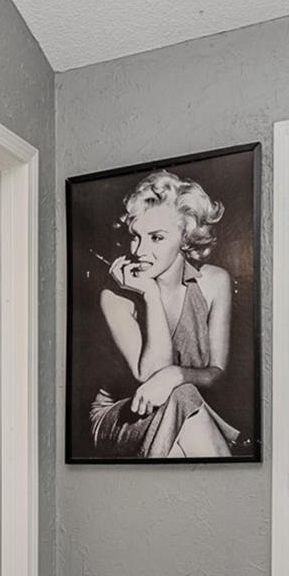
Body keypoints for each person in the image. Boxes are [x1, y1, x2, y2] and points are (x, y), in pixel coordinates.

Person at [89, 169, 240, 457]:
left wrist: (175, 375)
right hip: (121, 414)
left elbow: (217, 373)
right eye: (135, 236)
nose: (140, 250)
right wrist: (150, 295)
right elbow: (149, 375)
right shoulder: (113, 296)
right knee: (184, 399)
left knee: (182, 398)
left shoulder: (215, 282)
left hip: (182, 403)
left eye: (156, 238)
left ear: (185, 237)